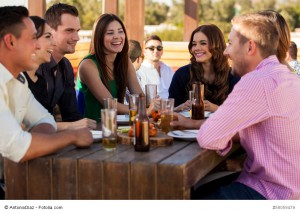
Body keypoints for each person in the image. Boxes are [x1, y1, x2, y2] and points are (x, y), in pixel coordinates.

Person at [196, 13, 300, 199]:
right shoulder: (289, 77)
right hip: (289, 186)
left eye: (230, 43)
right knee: (199, 190)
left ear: (250, 46)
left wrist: (226, 135)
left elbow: (208, 137)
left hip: (274, 193)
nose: (226, 52)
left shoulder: (257, 81)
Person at [0, 5, 93, 197]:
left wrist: (34, 139)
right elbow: (19, 147)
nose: (40, 45)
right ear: (10, 42)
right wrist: (72, 136)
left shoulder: (19, 80)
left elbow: (45, 120)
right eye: (34, 38)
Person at [34, 3, 96, 129]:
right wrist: (72, 126)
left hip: (48, 138)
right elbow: (33, 124)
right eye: (69, 30)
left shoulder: (65, 65)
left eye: (77, 31)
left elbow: (71, 115)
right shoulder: (34, 64)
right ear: (50, 31)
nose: (76, 37)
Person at [77, 14, 144, 122]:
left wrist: (155, 105)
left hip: (116, 127)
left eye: (120, 31)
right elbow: (110, 104)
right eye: (110, 33)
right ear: (99, 37)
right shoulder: (88, 65)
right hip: (92, 131)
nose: (117, 36)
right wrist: (140, 110)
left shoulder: (125, 61)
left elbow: (139, 96)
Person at [169, 24, 240, 112]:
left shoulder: (233, 76)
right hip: (187, 125)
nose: (196, 48)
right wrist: (180, 108)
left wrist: (216, 109)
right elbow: (169, 111)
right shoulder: (182, 74)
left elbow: (238, 113)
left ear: (217, 45)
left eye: (203, 43)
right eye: (194, 44)